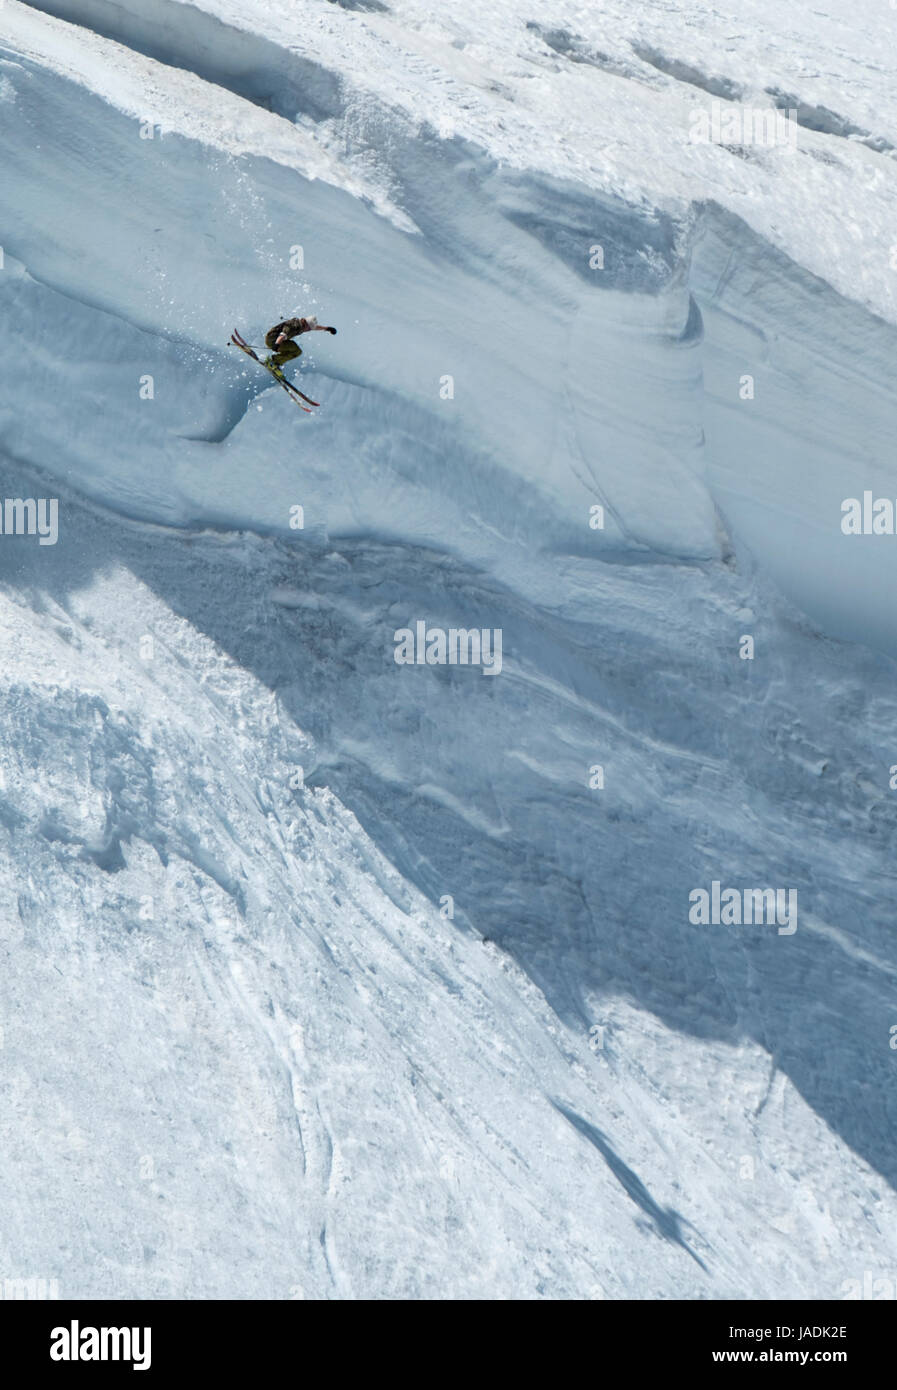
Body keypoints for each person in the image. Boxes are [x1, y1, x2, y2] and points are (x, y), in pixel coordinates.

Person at [264, 315, 337, 370]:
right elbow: (282, 335)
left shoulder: (303, 325)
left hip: (277, 340)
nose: (309, 330)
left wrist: (327, 328)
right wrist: (277, 344)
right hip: (273, 340)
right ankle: (273, 362)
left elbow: (314, 327)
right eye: (309, 329)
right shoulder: (294, 326)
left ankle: (275, 361)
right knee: (296, 350)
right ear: (306, 324)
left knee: (297, 351)